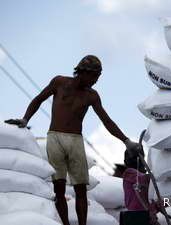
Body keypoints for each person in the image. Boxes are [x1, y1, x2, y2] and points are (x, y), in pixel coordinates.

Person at [5, 55, 141, 225]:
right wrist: (25, 119)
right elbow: (39, 99)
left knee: (81, 189)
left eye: (98, 78)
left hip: (75, 141)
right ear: (83, 72)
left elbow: (106, 121)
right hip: (55, 138)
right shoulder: (59, 82)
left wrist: (126, 140)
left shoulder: (92, 96)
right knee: (59, 187)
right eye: (94, 77)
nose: (95, 81)